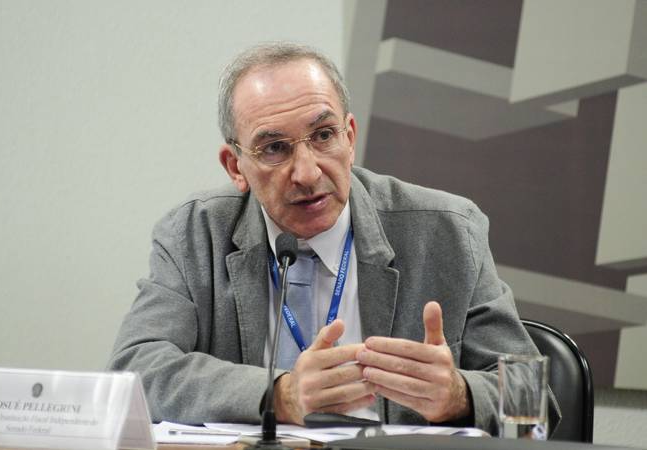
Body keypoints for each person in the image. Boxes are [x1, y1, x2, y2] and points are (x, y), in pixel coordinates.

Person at [107, 42, 559, 435]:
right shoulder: (194, 235)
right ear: (235, 166)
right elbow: (133, 372)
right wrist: (279, 395)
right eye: (274, 148)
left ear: (350, 137)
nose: (307, 173)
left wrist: (459, 395)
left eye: (323, 136)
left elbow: (534, 399)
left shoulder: (449, 231)